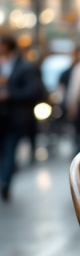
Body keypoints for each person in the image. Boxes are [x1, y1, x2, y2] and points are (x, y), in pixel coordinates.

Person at [0, 35, 40, 201]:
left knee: (9, 150)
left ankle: (5, 183)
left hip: (15, 117)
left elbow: (32, 91)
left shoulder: (24, 66)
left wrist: (10, 95)